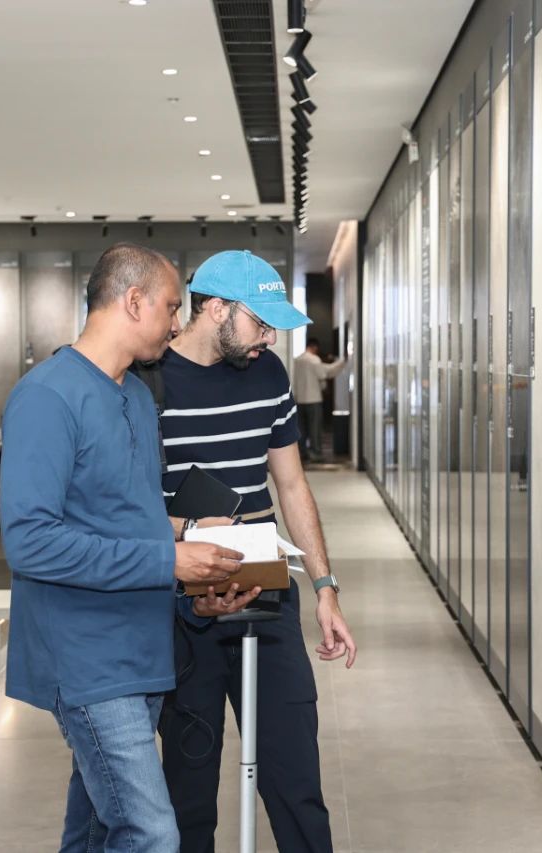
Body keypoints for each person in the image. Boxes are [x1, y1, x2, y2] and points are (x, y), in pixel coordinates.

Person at [0, 243, 260, 853]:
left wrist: (192, 548)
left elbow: (127, 518)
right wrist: (171, 558)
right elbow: (31, 542)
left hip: (142, 650)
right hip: (86, 660)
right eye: (171, 306)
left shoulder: (139, 398)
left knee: (95, 829)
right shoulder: (47, 397)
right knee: (151, 832)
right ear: (134, 300)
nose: (177, 322)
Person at [157, 250, 358, 853]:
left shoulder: (268, 374)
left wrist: (324, 588)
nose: (269, 338)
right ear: (216, 309)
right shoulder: (150, 382)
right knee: (188, 793)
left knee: (295, 779)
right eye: (260, 322)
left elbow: (291, 484)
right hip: (184, 605)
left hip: (265, 593)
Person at [292, 339, 345, 463]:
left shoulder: (297, 360)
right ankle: (315, 453)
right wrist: (341, 362)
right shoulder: (315, 360)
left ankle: (302, 452)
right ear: (315, 347)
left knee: (301, 429)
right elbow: (323, 374)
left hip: (299, 399)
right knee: (315, 428)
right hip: (314, 398)